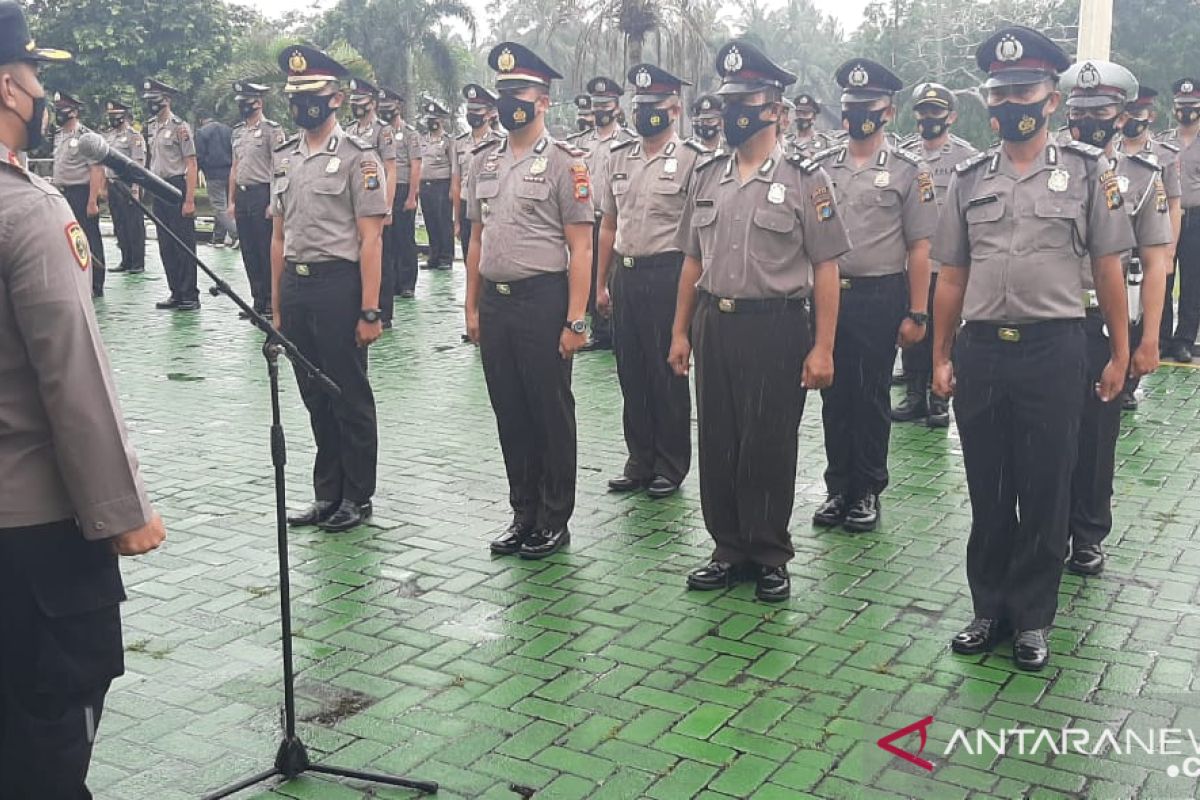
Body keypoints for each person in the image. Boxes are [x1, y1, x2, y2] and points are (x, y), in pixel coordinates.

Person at [0, 6, 166, 794]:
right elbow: (74, 377)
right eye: (35, 75)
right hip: (33, 536)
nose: (41, 92)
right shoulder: (28, 210)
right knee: (46, 745)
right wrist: (123, 512)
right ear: (7, 86)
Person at [934, 26, 1134, 671]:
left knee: (1046, 487)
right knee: (989, 486)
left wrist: (1121, 352)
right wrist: (941, 353)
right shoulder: (967, 179)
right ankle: (988, 607)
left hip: (1057, 347)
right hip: (983, 350)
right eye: (1000, 93)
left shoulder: (1088, 173)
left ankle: (1032, 619)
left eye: (1023, 90)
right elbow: (953, 275)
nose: (1010, 103)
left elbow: (1108, 270)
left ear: (1052, 98)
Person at [670, 39, 850, 602]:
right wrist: (679, 330)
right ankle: (728, 547)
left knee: (769, 442)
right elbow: (691, 260)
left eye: (745, 100)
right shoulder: (707, 176)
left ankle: (769, 551)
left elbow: (826, 268)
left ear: (774, 107)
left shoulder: (805, 179)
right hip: (715, 321)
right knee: (719, 439)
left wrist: (823, 347)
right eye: (727, 100)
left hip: (777, 327)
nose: (732, 112)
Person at [464, 41, 594, 560]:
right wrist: (470, 306)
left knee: (549, 410)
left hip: (544, 300)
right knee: (510, 411)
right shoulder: (484, 161)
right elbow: (475, 238)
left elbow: (581, 245)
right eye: (503, 92)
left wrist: (576, 319)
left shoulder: (566, 163)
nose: (508, 101)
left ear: (543, 100)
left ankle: (553, 517)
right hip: (496, 303)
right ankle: (523, 512)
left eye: (518, 92)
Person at [809, 58, 936, 533]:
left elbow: (920, 247)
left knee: (871, 394)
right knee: (833, 394)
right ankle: (838, 486)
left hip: (880, 295)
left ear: (888, 111)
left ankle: (867, 489)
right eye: (851, 107)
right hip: (829, 297)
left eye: (869, 106)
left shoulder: (908, 171)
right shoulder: (821, 168)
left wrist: (917, 312)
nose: (858, 114)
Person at [1060, 61, 1173, 577]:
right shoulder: (1048, 166)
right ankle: (1046, 525)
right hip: (1052, 318)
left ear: (1123, 114)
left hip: (1103, 324)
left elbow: (1156, 263)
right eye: (1080, 110)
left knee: (1096, 432)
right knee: (1047, 430)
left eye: (1102, 110)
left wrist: (1148, 338)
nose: (1089, 120)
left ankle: (1086, 532)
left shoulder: (1142, 179)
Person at [273, 45, 389, 532]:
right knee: (315, 397)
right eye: (295, 96)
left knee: (347, 395)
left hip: (339, 287)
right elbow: (278, 235)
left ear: (336, 98)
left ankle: (357, 497)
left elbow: (371, 237)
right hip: (296, 288)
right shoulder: (285, 157)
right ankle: (328, 494)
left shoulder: (359, 159)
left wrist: (369, 309)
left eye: (313, 95)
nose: (303, 105)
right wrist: (275, 310)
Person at [596, 63, 703, 500]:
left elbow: (698, 236)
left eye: (653, 107)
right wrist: (600, 282)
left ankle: (670, 463)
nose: (644, 114)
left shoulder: (693, 160)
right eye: (638, 106)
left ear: (674, 109)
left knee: (667, 374)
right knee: (632, 372)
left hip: (669, 275)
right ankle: (639, 459)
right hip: (628, 273)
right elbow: (607, 224)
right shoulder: (618, 157)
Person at [892, 82, 978, 427]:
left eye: (935, 113)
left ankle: (939, 398)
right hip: (912, 262)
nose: (928, 119)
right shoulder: (905, 155)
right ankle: (914, 394)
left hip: (946, 264)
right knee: (913, 326)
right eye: (923, 112)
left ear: (951, 117)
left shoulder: (965, 157)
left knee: (946, 329)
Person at [1119, 85, 1183, 408]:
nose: (1132, 119)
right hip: (1114, 249)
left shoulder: (1165, 157)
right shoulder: (1106, 152)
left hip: (1148, 247)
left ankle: (1131, 379)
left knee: (1143, 313)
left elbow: (1174, 205)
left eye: (1138, 113)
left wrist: (1169, 250)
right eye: (1127, 112)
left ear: (1150, 116)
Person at [579, 76, 635, 352]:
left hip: (614, 217)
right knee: (592, 274)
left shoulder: (627, 142)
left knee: (615, 275)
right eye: (596, 104)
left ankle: (618, 329)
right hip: (587, 217)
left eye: (606, 104)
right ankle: (600, 331)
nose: (600, 109)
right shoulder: (580, 143)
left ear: (617, 107)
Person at [228, 80, 285, 318]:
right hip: (243, 195)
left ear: (259, 103)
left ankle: (273, 302)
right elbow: (235, 166)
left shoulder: (273, 130)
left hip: (263, 194)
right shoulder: (238, 132)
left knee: (265, 249)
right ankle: (258, 301)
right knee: (249, 251)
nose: (244, 107)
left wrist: (274, 201)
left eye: (247, 102)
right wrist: (231, 200)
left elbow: (280, 166)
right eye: (241, 103)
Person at [142, 77, 200, 311]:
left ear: (166, 100)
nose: (151, 104)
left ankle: (190, 295)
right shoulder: (151, 126)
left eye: (154, 100)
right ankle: (175, 291)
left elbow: (192, 164)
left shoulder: (180, 127)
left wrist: (189, 199)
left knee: (183, 243)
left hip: (177, 186)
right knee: (166, 244)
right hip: (158, 187)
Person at [1157, 78, 1200, 363]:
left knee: (1193, 283)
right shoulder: (1162, 141)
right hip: (1164, 219)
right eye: (1181, 106)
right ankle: (1160, 338)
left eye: (1191, 107)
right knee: (1162, 278)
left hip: (1197, 218)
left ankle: (1184, 340)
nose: (1185, 111)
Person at [51, 91, 106, 297]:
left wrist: (93, 200)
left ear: (73, 112)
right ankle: (75, 280)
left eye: (62, 110)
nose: (59, 114)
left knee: (89, 238)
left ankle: (95, 283)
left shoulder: (86, 137)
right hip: (63, 194)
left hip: (82, 193)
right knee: (67, 239)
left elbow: (96, 169)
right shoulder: (58, 135)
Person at [378, 87, 422, 313]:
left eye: (390, 108)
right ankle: (393, 282)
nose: (386, 112)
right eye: (383, 108)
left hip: (404, 187)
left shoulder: (410, 133)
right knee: (388, 239)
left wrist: (412, 195)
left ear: (399, 108)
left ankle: (407, 283)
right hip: (384, 189)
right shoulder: (380, 132)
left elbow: (416, 165)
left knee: (405, 239)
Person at [452, 83, 504, 268]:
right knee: (470, 256)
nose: (473, 114)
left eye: (478, 110)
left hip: (489, 206)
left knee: (490, 256)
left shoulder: (500, 143)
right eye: (470, 109)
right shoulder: (458, 143)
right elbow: (456, 183)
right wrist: (456, 220)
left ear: (489, 113)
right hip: (467, 203)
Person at [101, 100, 146, 275]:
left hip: (128, 183)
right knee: (119, 224)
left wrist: (136, 188)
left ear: (124, 116)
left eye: (116, 116)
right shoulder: (109, 136)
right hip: (113, 183)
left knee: (133, 224)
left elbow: (138, 164)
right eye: (111, 116)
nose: (113, 120)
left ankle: (137, 262)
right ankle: (125, 259)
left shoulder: (134, 136)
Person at [419, 98, 455, 270]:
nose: (432, 122)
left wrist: (453, 189)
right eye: (429, 119)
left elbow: (454, 166)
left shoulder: (448, 140)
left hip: (442, 185)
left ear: (442, 120)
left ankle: (446, 257)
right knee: (430, 221)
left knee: (443, 221)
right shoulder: (422, 139)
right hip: (425, 185)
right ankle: (433, 256)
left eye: (435, 119)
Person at [195, 114, 236, 247]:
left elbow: (199, 156)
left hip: (213, 174)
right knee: (226, 207)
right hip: (230, 172)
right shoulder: (228, 130)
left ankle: (237, 234)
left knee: (219, 208)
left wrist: (199, 171)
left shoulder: (201, 133)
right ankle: (218, 237)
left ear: (202, 121)